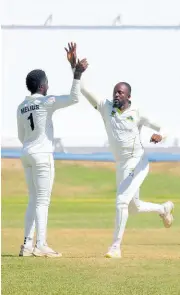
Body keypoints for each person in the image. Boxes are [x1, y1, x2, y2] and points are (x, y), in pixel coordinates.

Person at [66, 54, 174, 258]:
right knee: (133, 207)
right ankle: (163, 209)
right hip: (122, 164)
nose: (116, 95)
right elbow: (84, 89)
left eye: (120, 93)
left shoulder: (137, 112)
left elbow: (164, 126)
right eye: (115, 92)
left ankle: (115, 247)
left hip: (138, 162)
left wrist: (161, 134)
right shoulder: (105, 107)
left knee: (121, 202)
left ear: (128, 97)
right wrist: (76, 69)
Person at [17, 43, 87, 257]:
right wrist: (76, 74)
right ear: (42, 86)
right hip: (42, 155)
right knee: (43, 200)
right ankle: (41, 245)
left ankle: (27, 245)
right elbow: (74, 98)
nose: (48, 85)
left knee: (32, 198)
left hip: (26, 153)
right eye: (46, 82)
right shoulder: (47, 101)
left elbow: (21, 136)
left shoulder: (21, 106)